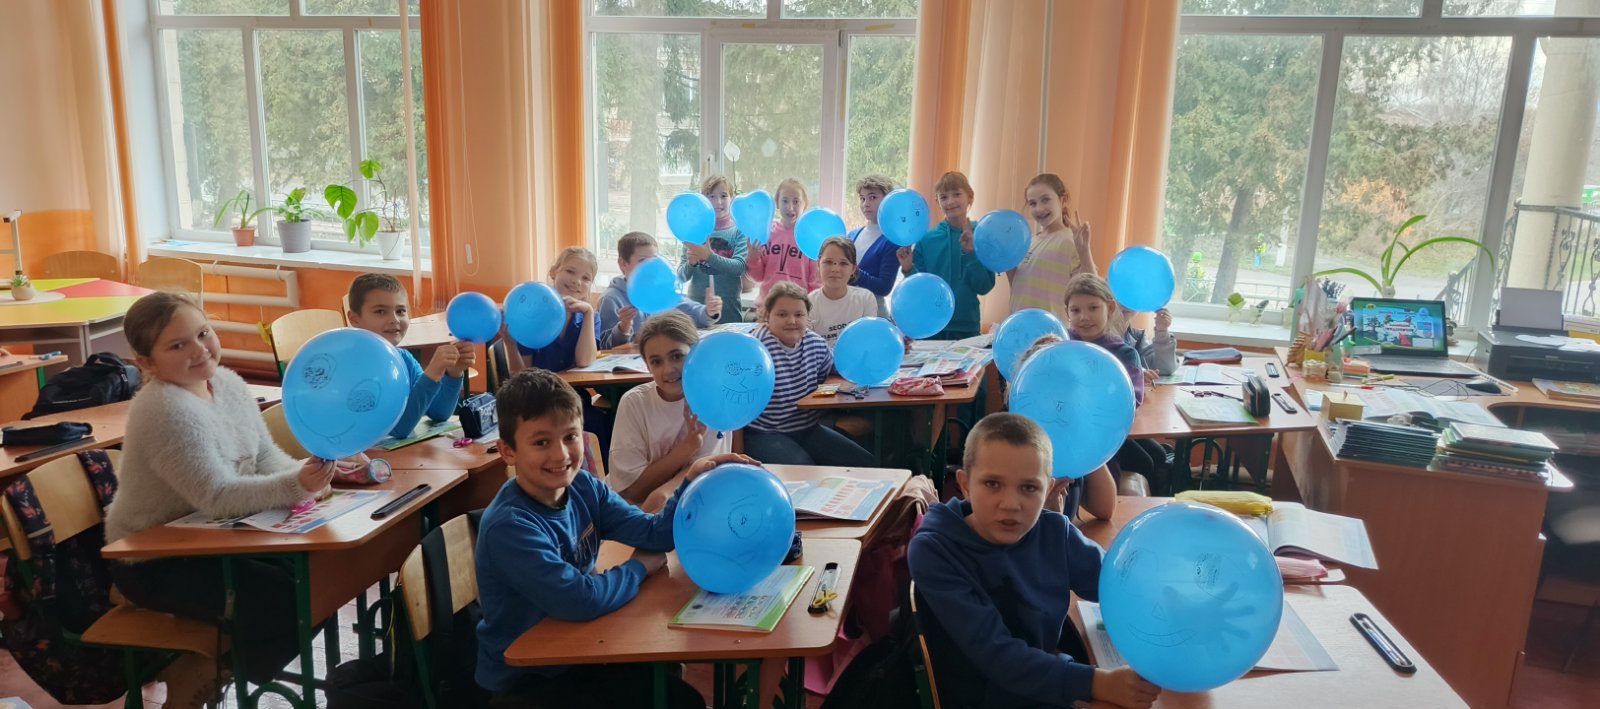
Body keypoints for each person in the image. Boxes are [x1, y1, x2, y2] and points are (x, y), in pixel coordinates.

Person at [104, 291, 365, 708]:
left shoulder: (226, 383)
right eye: (177, 345)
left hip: (217, 537)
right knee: (283, 597)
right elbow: (218, 496)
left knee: (322, 576)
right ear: (147, 363)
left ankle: (219, 664)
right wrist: (297, 484)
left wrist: (312, 478)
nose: (199, 350)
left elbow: (264, 458)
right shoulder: (163, 408)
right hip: (154, 558)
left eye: (203, 333)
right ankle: (214, 672)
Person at [475, 368, 752, 707]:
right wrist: (639, 567)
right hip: (529, 677)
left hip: (580, 647)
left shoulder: (583, 486)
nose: (561, 454)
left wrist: (691, 481)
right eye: (541, 442)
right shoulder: (511, 526)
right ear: (508, 451)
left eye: (570, 436)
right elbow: (581, 600)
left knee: (677, 695)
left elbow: (653, 534)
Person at [908, 412, 1160, 709]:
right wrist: (1098, 683)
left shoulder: (1054, 532)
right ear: (964, 484)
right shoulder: (935, 550)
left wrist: (1167, 603)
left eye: (1029, 488)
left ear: (1048, 489)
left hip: (1043, 682)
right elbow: (997, 655)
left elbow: (1117, 586)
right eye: (992, 484)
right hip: (983, 696)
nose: (1011, 504)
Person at [608, 312, 731, 512]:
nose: (668, 370)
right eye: (656, 362)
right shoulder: (634, 403)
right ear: (647, 366)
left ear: (696, 355)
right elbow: (631, 492)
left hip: (693, 506)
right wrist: (688, 447)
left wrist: (664, 493)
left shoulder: (712, 401)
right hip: (636, 513)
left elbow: (705, 472)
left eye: (677, 356)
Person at [744, 282, 875, 467]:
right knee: (805, 469)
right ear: (767, 316)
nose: (791, 321)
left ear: (808, 317)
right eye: (782, 314)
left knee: (864, 462)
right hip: (766, 432)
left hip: (807, 428)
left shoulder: (815, 343)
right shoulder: (756, 348)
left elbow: (839, 368)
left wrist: (868, 355)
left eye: (799, 315)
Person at [1062, 273, 1166, 489]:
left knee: (1155, 457)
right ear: (1067, 313)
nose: (1084, 317)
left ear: (1110, 308)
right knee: (1147, 460)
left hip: (1107, 431)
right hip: (1068, 432)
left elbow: (1133, 399)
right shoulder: (1060, 348)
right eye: (1075, 310)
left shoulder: (1124, 353)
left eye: (1093, 308)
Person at [346, 273, 474, 438]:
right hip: (361, 452)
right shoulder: (355, 366)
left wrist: (453, 374)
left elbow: (439, 413)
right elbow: (398, 429)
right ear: (354, 319)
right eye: (380, 311)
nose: (394, 319)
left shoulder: (404, 359)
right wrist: (432, 373)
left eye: (400, 311)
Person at [1010, 333, 1117, 522]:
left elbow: (1104, 509)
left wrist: (1090, 443)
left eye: (1067, 386)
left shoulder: (1073, 441)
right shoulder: (1012, 448)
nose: (1057, 399)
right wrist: (1046, 511)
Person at [897, 171, 996, 340]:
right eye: (944, 197)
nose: (950, 202)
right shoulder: (926, 239)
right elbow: (920, 291)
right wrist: (907, 268)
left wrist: (971, 253)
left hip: (967, 328)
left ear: (970, 197)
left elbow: (984, 287)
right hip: (930, 327)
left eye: (957, 194)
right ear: (938, 202)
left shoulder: (982, 235)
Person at [595, 231, 721, 349]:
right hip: (631, 363)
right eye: (643, 261)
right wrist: (623, 328)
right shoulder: (611, 299)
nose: (651, 267)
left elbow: (692, 312)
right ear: (623, 264)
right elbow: (604, 346)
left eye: (654, 261)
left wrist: (709, 311)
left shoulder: (661, 289)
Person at [1008, 173, 1095, 321]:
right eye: (1032, 203)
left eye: (1045, 200)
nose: (1039, 208)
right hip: (1019, 325)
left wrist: (1084, 251)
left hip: (1052, 329)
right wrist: (1008, 264)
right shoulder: (1029, 241)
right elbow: (1018, 288)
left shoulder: (1070, 240)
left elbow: (1091, 288)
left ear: (1062, 200)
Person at [678, 175, 748, 324]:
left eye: (724, 196)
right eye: (712, 196)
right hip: (697, 309)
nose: (718, 202)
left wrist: (709, 256)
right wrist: (691, 263)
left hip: (728, 308)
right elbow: (680, 277)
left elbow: (739, 267)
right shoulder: (693, 233)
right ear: (704, 200)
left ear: (731, 199)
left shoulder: (738, 231)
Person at [517, 246, 599, 372]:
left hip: (575, 384)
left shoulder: (591, 317)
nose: (577, 281)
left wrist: (588, 312)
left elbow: (584, 361)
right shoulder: (531, 316)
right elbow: (524, 373)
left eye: (586, 278)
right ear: (554, 272)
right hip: (539, 384)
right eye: (570, 271)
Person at [745, 177, 820, 303]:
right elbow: (758, 277)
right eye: (785, 201)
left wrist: (811, 306)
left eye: (796, 201)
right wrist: (753, 258)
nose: (790, 207)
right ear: (777, 203)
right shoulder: (766, 233)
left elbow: (815, 281)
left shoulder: (810, 238)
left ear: (805, 205)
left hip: (798, 306)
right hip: (768, 306)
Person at [808, 236, 879, 348]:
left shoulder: (866, 299)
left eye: (843, 263)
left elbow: (868, 341)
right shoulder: (808, 304)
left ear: (853, 269)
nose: (835, 269)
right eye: (828, 262)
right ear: (818, 264)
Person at [847, 174, 900, 317]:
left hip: (874, 314)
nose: (866, 204)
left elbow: (884, 287)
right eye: (862, 198)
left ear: (887, 200)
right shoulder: (852, 235)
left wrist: (854, 272)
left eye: (872, 197)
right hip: (847, 312)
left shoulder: (891, 240)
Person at [1122, 307, 1178, 384]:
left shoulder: (1136, 338)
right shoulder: (1104, 336)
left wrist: (1162, 332)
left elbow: (1165, 368)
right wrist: (1133, 374)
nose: (1125, 305)